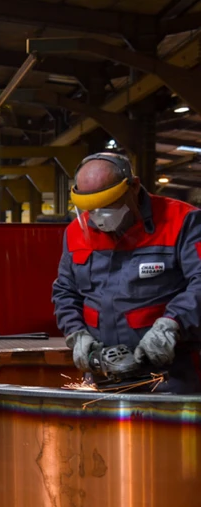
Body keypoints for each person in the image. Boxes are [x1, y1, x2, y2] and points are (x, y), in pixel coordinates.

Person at [52, 152, 201, 393]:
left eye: (109, 205)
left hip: (170, 374)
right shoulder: (75, 233)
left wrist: (172, 324)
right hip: (104, 374)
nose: (99, 217)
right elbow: (65, 291)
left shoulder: (182, 222)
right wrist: (76, 333)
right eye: (91, 209)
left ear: (134, 186)